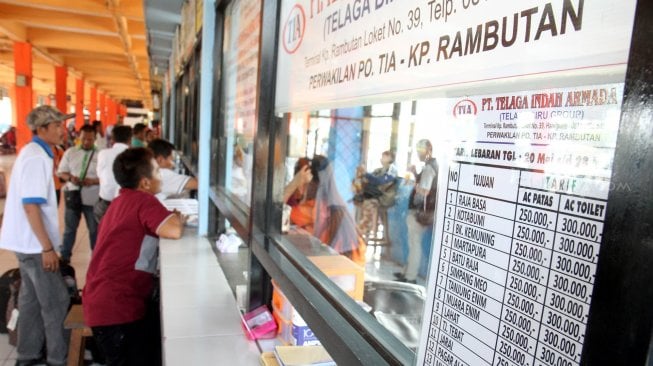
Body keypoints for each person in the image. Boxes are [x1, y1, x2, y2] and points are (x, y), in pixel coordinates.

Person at [83, 148, 184, 365]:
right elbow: (173, 230)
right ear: (145, 183)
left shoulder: (121, 200)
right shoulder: (143, 201)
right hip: (116, 309)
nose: (162, 175)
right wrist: (178, 218)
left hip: (104, 301)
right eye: (158, 171)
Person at [0, 105, 74, 366]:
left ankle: (27, 355)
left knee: (30, 300)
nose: (61, 129)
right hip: (33, 245)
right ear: (41, 129)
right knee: (56, 301)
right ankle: (58, 359)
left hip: (26, 242)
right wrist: (47, 248)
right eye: (56, 125)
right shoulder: (36, 158)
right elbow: (30, 206)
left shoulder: (35, 152)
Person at [284, 156, 366, 264]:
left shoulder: (312, 209)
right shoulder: (338, 205)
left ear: (309, 183)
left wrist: (294, 183)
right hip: (352, 275)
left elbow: (272, 210)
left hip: (331, 274)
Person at [395, 139, 438, 284]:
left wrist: (413, 183)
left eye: (421, 149)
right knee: (414, 243)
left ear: (428, 150)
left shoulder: (429, 168)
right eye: (417, 149)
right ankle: (407, 273)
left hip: (420, 212)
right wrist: (414, 174)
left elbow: (424, 191)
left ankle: (410, 276)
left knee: (415, 244)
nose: (418, 152)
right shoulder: (430, 166)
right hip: (423, 212)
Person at [58, 125, 100, 263]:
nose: (86, 142)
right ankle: (64, 258)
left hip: (92, 198)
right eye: (83, 139)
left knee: (94, 230)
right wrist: (71, 178)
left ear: (95, 138)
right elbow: (61, 172)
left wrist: (93, 181)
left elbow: (107, 178)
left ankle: (96, 258)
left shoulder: (101, 155)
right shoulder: (70, 152)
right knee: (70, 229)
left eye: (90, 139)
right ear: (78, 137)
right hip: (73, 196)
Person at [353, 150, 398, 234]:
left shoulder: (392, 169)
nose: (381, 158)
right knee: (361, 198)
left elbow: (379, 181)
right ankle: (365, 226)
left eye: (384, 156)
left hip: (385, 197)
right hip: (377, 195)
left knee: (370, 203)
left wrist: (366, 174)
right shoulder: (379, 169)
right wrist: (362, 175)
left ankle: (366, 228)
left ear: (390, 158)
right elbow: (370, 179)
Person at [95, 125, 132, 223]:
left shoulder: (103, 154)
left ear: (112, 139)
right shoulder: (134, 155)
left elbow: (99, 174)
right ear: (130, 139)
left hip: (105, 202)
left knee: (102, 233)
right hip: (125, 205)